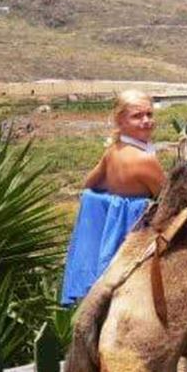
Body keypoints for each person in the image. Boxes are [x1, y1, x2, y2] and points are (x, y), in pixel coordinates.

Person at [60, 89, 165, 306]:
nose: (146, 121)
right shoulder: (145, 160)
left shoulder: (113, 151)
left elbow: (90, 185)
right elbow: (166, 199)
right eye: (137, 116)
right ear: (120, 120)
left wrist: (111, 201)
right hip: (134, 239)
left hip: (111, 236)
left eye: (149, 114)